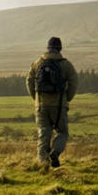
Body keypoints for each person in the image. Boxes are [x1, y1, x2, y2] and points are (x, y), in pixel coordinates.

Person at [26, 36, 78, 169]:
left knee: (43, 134)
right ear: (60, 48)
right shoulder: (66, 64)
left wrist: (36, 99)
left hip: (41, 105)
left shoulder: (37, 63)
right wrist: (67, 99)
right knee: (62, 132)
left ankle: (42, 165)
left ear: (47, 47)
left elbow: (29, 81)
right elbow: (74, 82)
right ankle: (55, 153)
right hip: (59, 105)